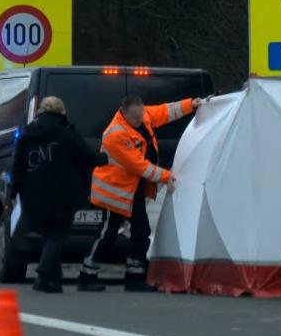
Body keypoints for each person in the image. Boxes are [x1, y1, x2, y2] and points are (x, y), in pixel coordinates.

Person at [83, 94, 209, 292]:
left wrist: (190, 104)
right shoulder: (116, 134)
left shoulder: (143, 115)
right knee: (108, 233)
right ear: (123, 113)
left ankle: (134, 276)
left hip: (131, 190)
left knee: (141, 231)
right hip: (114, 192)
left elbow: (165, 111)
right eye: (135, 118)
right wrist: (167, 177)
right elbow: (139, 166)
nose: (140, 121)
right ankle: (87, 273)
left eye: (141, 116)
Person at [6, 96, 105, 293]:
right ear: (61, 112)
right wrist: (105, 158)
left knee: (47, 236)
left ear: (40, 111)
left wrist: (13, 191)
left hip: (32, 194)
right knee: (57, 235)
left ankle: (51, 281)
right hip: (62, 193)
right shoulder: (66, 134)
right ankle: (44, 271)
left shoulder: (27, 134)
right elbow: (87, 156)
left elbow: (18, 166)